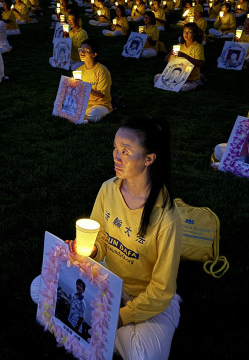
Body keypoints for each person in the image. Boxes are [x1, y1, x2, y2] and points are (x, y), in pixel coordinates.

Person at [65, 117, 182, 359]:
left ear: (149, 159)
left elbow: (161, 290)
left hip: (147, 298)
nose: (116, 157)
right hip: (110, 282)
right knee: (39, 288)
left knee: (144, 356)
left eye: (126, 152)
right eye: (115, 149)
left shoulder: (166, 217)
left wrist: (120, 317)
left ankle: (104, 331)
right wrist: (91, 251)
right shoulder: (109, 188)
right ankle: (108, 332)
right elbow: (102, 239)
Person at [155, 23, 205, 91]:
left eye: (189, 32)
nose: (186, 34)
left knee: (183, 88)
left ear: (194, 34)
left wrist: (184, 55)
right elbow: (166, 60)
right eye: (184, 31)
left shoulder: (198, 47)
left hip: (191, 79)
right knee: (157, 77)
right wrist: (172, 53)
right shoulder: (179, 46)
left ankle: (198, 81)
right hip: (177, 76)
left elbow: (200, 63)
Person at [73, 39, 112, 123]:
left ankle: (79, 116)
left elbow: (101, 95)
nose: (82, 53)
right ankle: (81, 117)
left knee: (92, 113)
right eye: (81, 50)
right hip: (85, 103)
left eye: (86, 51)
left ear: (94, 54)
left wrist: (84, 86)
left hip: (101, 105)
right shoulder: (79, 70)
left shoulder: (102, 70)